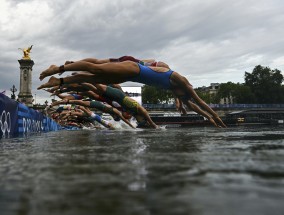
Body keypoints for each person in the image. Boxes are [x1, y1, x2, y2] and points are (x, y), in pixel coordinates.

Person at [38, 59, 226, 128]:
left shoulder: (180, 93)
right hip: (135, 69)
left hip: (135, 75)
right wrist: (215, 116)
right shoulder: (182, 81)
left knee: (94, 78)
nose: (184, 101)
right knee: (96, 70)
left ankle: (60, 80)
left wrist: (209, 119)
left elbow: (195, 107)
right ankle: (58, 69)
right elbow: (200, 102)